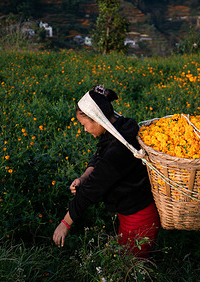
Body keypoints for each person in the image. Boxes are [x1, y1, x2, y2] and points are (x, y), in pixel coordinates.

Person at [52, 85, 160, 258]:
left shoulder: (118, 150)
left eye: (84, 124)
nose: (85, 130)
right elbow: (99, 156)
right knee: (126, 264)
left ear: (97, 118)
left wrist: (65, 223)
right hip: (130, 212)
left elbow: (91, 190)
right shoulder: (120, 127)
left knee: (131, 269)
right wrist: (84, 177)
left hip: (138, 218)